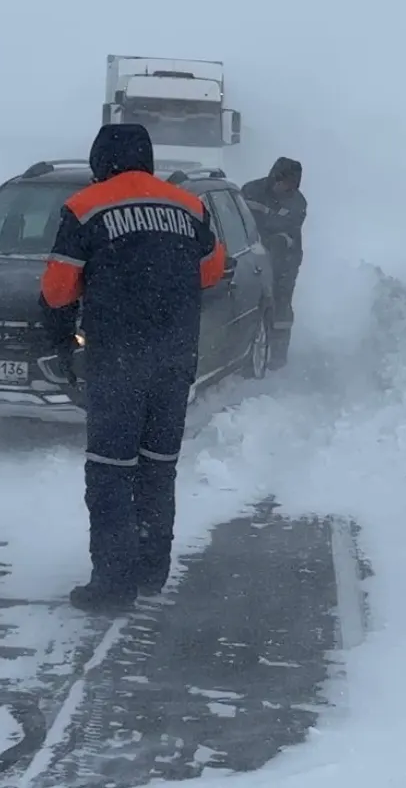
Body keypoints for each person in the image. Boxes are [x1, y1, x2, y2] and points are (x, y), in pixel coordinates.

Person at [39, 123, 226, 612]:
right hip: (174, 359)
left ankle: (113, 583)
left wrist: (66, 335)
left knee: (110, 471)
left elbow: (57, 291)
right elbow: (210, 271)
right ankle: (151, 569)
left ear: (101, 158)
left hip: (117, 359)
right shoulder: (189, 205)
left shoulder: (85, 207)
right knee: (158, 468)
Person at [241, 157, 306, 367]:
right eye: (283, 182)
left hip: (286, 259)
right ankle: (250, 348)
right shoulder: (251, 191)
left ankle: (278, 355)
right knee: (253, 300)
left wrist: (274, 242)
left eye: (291, 185)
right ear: (274, 178)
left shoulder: (298, 202)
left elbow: (290, 233)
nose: (286, 188)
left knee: (281, 302)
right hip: (253, 254)